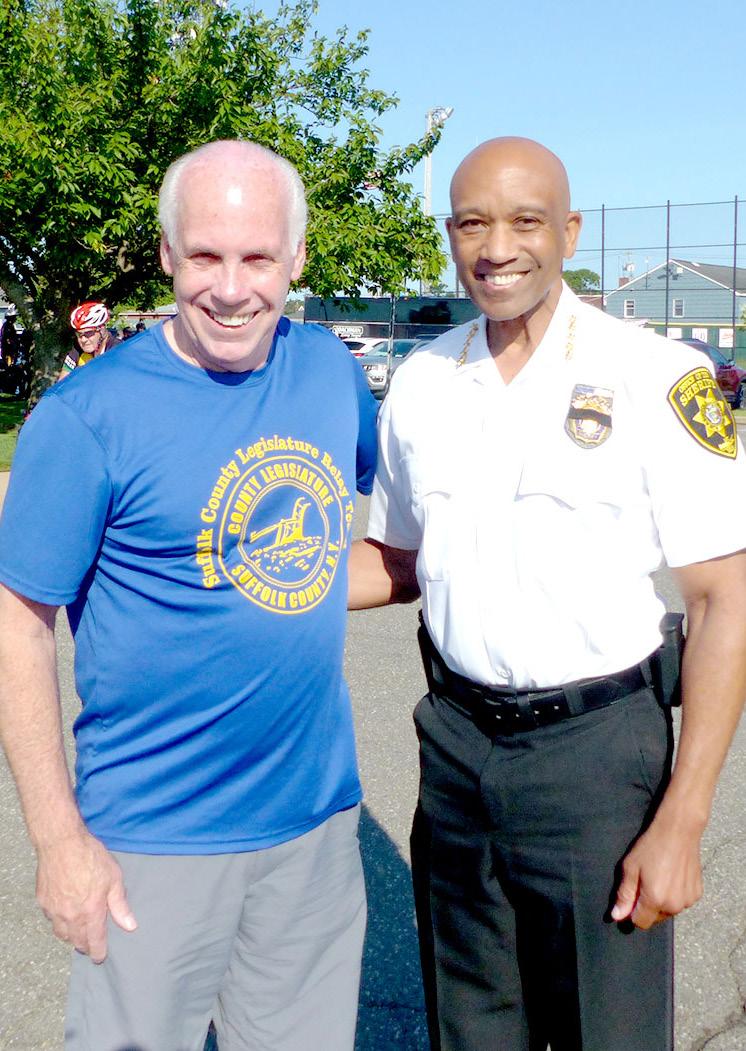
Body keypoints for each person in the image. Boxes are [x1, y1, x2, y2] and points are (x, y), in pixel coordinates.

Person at [349, 137, 746, 1051]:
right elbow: (400, 561)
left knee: (608, 1032)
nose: (498, 248)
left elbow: (723, 599)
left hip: (596, 759)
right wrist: (252, 586)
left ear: (568, 232)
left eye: (525, 221)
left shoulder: (655, 375)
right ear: (451, 235)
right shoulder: (421, 383)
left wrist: (684, 819)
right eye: (473, 223)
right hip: (456, 750)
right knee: (470, 1028)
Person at [0, 139, 378, 1051]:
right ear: (168, 254)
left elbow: (341, 547)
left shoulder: (330, 372)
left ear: (297, 258)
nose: (231, 288)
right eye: (205, 255)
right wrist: (59, 841)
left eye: (258, 257)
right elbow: (17, 625)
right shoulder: (88, 416)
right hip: (151, 840)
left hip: (313, 831)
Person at [59, 300, 119, 380]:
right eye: (79, 334)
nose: (83, 340)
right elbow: (62, 382)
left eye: (88, 333)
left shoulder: (117, 350)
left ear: (102, 329)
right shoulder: (77, 350)